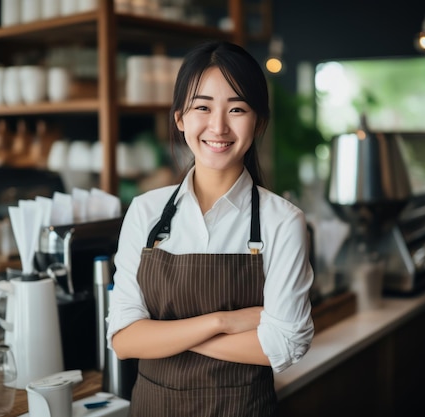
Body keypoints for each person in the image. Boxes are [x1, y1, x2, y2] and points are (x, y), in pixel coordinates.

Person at [106, 40, 314, 416]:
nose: (218, 126)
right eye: (202, 107)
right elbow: (122, 339)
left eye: (237, 109)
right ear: (181, 118)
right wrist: (225, 322)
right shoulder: (145, 211)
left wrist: (163, 334)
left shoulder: (283, 221)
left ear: (258, 122)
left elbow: (283, 345)